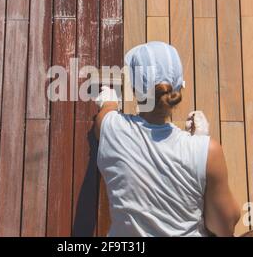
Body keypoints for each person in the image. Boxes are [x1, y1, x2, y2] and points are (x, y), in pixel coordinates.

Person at [94, 41, 241, 237]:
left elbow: (107, 109)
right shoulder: (207, 151)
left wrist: (109, 100)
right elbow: (224, 226)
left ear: (136, 91)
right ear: (178, 89)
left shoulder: (110, 128)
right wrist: (199, 143)